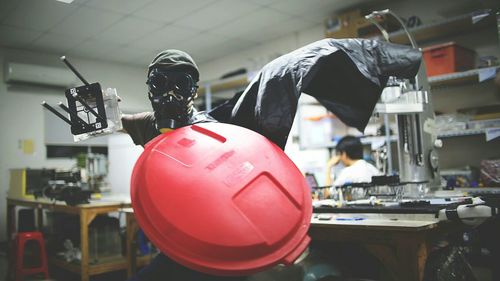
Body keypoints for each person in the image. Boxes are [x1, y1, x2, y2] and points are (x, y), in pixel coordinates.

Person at [121, 50, 246, 281]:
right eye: (159, 83)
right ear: (150, 88)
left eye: (181, 85)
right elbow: (118, 122)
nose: (169, 94)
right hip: (174, 240)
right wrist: (98, 114)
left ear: (194, 91)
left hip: (211, 240)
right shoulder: (148, 124)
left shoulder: (210, 132)